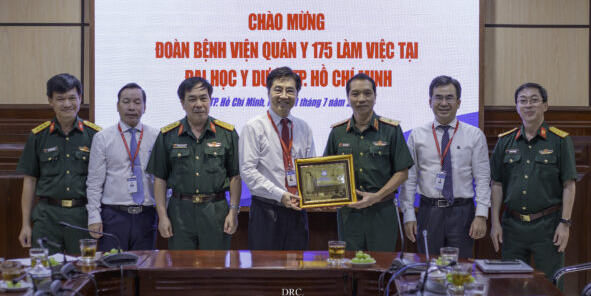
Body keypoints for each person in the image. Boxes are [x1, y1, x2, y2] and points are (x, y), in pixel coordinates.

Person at [490, 82, 576, 280]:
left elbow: (569, 185)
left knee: (550, 285)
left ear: (545, 105)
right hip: (512, 227)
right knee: (512, 284)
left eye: (534, 100)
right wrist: (495, 223)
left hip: (548, 227)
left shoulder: (560, 140)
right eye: (523, 101)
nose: (528, 105)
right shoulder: (505, 141)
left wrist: (565, 224)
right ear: (517, 107)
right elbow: (497, 184)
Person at [400, 75, 490, 258]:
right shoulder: (417, 135)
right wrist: (408, 214)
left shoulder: (474, 135)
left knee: (460, 268)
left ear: (458, 102)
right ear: (430, 102)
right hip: (429, 212)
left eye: (449, 98)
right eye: (438, 98)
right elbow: (409, 178)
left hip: (462, 212)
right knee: (429, 266)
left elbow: (482, 178)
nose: (443, 103)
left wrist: (481, 214)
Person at [146, 77, 241, 250]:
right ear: (182, 103)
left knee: (215, 264)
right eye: (192, 99)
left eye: (203, 98)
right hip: (179, 213)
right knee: (181, 265)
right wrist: (163, 217)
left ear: (210, 100)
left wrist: (233, 211)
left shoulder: (227, 133)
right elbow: (160, 178)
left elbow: (235, 176)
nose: (199, 104)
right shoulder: (168, 135)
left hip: (216, 212)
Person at [324, 73, 413, 251]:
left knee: (381, 263)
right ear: (348, 97)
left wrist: (376, 197)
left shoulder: (391, 130)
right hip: (349, 213)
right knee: (350, 263)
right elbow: (327, 170)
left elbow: (403, 172)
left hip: (382, 211)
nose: (361, 99)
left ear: (375, 96)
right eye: (355, 94)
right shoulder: (338, 132)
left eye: (367, 93)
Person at [17, 73, 101, 254]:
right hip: (47, 217)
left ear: (80, 98)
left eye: (72, 98)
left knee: (84, 268)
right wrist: (25, 224)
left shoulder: (95, 135)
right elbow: (29, 181)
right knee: (45, 268)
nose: (67, 104)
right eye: (60, 99)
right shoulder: (38, 136)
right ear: (50, 101)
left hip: (82, 216)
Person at [239, 66, 316, 250]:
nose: (284, 96)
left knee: (297, 265)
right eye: (278, 90)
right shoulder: (254, 127)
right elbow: (248, 171)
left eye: (290, 90)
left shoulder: (303, 127)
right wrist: (280, 195)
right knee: (266, 266)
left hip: (297, 211)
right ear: (268, 92)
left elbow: (310, 169)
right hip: (266, 211)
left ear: (297, 95)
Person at [86, 83, 159, 251]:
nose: (131, 107)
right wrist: (94, 216)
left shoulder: (156, 137)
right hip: (113, 216)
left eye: (137, 102)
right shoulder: (103, 138)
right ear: (117, 106)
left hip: (147, 216)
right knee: (113, 264)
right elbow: (94, 182)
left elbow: (162, 179)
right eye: (126, 102)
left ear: (145, 107)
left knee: (145, 264)